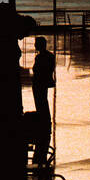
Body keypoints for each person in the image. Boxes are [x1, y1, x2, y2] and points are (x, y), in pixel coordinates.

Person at [30, 36, 55, 164]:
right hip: (44, 83)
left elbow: (37, 70)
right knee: (43, 101)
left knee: (40, 102)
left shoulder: (40, 58)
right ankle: (46, 120)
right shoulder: (50, 56)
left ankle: (43, 120)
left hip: (39, 83)